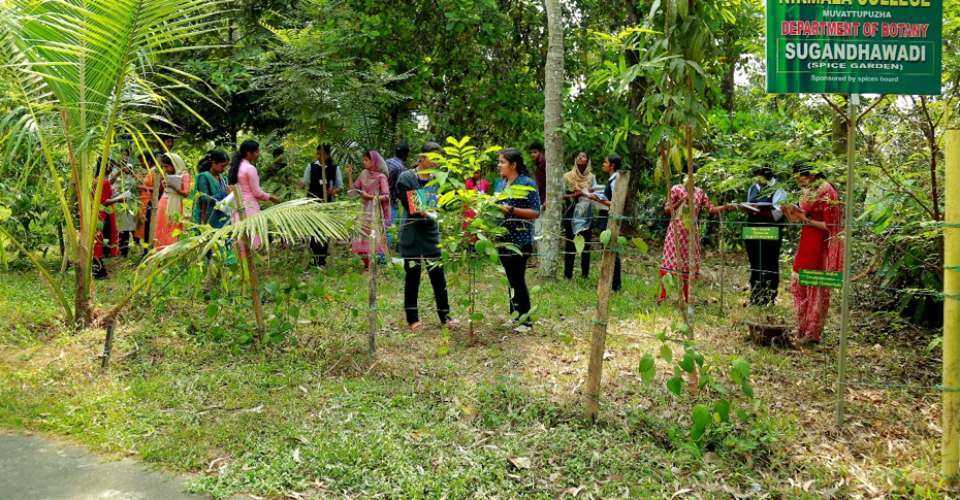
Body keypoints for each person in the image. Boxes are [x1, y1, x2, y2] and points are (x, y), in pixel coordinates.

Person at [396, 142, 455, 331]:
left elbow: (442, 205)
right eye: (433, 157)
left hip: (431, 234)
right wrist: (429, 205)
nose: (437, 162)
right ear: (422, 157)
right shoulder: (405, 178)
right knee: (412, 276)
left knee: (438, 276)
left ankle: (445, 316)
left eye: (439, 158)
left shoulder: (439, 179)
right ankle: (413, 319)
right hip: (412, 234)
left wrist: (429, 206)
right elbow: (416, 209)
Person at [784, 162, 843, 345]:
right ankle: (801, 326)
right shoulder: (808, 190)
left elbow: (831, 226)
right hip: (807, 240)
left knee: (815, 285)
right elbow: (803, 217)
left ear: (809, 175)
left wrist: (804, 218)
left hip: (821, 244)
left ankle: (812, 332)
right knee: (800, 283)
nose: (798, 181)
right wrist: (790, 212)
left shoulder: (828, 192)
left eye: (799, 177)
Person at [659, 167, 737, 303]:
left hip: (691, 234)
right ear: (684, 175)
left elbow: (711, 209)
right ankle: (663, 295)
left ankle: (687, 298)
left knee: (687, 265)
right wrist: (681, 200)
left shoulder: (700, 192)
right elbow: (667, 209)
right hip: (676, 231)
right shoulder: (676, 189)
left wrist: (725, 207)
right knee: (669, 264)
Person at [494, 148, 541, 329]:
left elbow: (535, 212)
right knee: (510, 280)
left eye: (502, 162)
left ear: (513, 165)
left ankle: (526, 321)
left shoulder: (527, 183)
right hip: (503, 239)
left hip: (520, 240)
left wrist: (512, 210)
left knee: (518, 279)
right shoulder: (501, 184)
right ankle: (515, 316)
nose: (499, 165)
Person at [743, 166, 788, 306]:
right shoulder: (753, 188)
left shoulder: (779, 189)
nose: (757, 179)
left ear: (767, 176)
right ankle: (755, 296)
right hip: (752, 232)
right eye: (755, 176)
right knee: (755, 263)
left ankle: (769, 297)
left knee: (770, 263)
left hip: (770, 232)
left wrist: (757, 211)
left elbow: (777, 214)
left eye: (759, 177)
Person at [229, 140, 280, 249]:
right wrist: (271, 197)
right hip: (250, 208)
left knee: (242, 242)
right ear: (249, 153)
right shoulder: (250, 168)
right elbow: (257, 193)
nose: (258, 154)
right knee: (253, 242)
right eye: (256, 152)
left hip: (237, 207)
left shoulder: (236, 167)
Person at [587, 154, 624, 291]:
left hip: (610, 218)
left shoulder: (616, 180)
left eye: (605, 162)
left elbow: (615, 203)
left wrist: (597, 199)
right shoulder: (612, 179)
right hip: (606, 217)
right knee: (608, 249)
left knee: (612, 250)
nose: (603, 164)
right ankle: (610, 282)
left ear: (612, 165)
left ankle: (615, 284)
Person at [350, 150, 391, 269]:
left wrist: (370, 197)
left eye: (366, 160)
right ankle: (366, 266)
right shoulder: (363, 173)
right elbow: (352, 192)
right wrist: (349, 175)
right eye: (363, 160)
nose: (364, 162)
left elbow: (386, 196)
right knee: (361, 238)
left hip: (374, 212)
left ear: (374, 161)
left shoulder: (381, 177)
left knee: (374, 239)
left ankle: (377, 265)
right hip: (363, 211)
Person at [306, 144, 344, 267]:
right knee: (313, 230)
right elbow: (305, 182)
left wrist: (333, 191)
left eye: (321, 154)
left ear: (327, 155)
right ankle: (315, 257)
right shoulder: (311, 167)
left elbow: (340, 186)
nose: (318, 156)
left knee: (324, 230)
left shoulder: (334, 168)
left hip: (327, 203)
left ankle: (322, 258)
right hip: (312, 202)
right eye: (317, 154)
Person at [562, 152, 597, 281]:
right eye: (579, 157)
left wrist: (589, 194)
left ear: (588, 161)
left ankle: (585, 275)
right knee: (570, 245)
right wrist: (574, 195)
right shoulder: (567, 177)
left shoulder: (592, 178)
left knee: (586, 246)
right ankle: (567, 275)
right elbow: (561, 195)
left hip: (586, 214)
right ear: (575, 160)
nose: (581, 159)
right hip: (571, 213)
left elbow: (595, 195)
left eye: (584, 157)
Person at [154, 153, 191, 248]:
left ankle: (171, 249)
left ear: (174, 164)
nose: (165, 169)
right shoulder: (168, 175)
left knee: (173, 226)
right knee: (162, 225)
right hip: (164, 202)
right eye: (164, 167)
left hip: (176, 204)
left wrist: (173, 187)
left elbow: (186, 193)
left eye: (167, 166)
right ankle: (160, 249)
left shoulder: (184, 175)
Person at [93, 161, 120, 279]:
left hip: (96, 213)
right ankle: (99, 271)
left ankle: (98, 268)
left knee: (97, 240)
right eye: (110, 165)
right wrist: (120, 198)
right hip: (101, 213)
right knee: (98, 240)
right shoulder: (103, 182)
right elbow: (104, 201)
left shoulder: (95, 180)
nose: (111, 167)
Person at [193, 151, 231, 228]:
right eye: (222, 166)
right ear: (214, 163)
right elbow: (204, 198)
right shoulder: (204, 176)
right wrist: (224, 194)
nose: (224, 169)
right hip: (209, 216)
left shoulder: (224, 178)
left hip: (222, 215)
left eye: (226, 166)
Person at [134, 152, 161, 251]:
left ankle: (148, 250)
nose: (141, 164)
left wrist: (142, 187)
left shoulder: (155, 171)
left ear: (148, 160)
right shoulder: (150, 171)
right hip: (145, 202)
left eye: (142, 161)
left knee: (148, 227)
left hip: (150, 203)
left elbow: (157, 188)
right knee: (144, 227)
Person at [386, 142, 410, 216]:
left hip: (380, 200)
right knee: (392, 226)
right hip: (392, 203)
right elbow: (400, 189)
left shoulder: (386, 161)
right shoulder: (401, 168)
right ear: (405, 154)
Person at [528, 141, 547, 206]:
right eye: (531, 153)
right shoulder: (538, 164)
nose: (532, 155)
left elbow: (549, 182)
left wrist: (547, 200)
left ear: (541, 152)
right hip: (542, 197)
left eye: (535, 152)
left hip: (546, 198)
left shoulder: (544, 163)